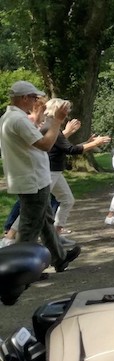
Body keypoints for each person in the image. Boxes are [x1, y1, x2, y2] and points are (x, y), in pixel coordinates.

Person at [0, 81, 81, 272]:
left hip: (31, 178)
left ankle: (59, 258)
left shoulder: (9, 118)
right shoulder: (18, 120)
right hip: (33, 179)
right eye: (34, 97)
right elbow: (45, 144)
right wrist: (58, 121)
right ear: (24, 98)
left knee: (45, 221)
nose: (37, 101)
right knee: (29, 228)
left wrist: (44, 119)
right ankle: (19, 271)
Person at [44, 98, 111, 237]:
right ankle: (11, 236)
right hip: (48, 172)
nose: (67, 114)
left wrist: (88, 143)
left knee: (67, 200)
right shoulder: (51, 127)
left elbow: (64, 147)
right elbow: (71, 150)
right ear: (57, 111)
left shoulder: (53, 127)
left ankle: (56, 231)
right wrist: (95, 143)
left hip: (55, 171)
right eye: (65, 110)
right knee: (36, 206)